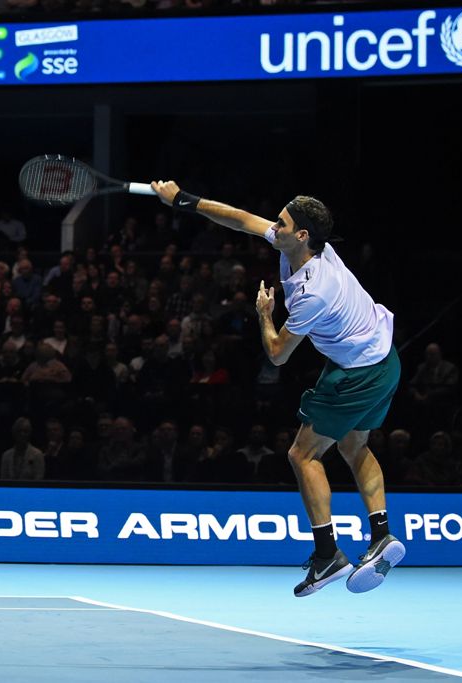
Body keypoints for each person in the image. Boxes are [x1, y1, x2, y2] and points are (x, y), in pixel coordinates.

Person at [151, 180, 404, 597]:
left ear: (301, 235)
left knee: (302, 455)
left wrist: (264, 314)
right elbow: (242, 219)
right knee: (355, 447)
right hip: (383, 358)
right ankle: (382, 535)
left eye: (282, 222)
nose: (274, 226)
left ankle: (328, 554)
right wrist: (184, 200)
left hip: (355, 373)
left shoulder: (311, 293)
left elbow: (278, 355)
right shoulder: (307, 246)